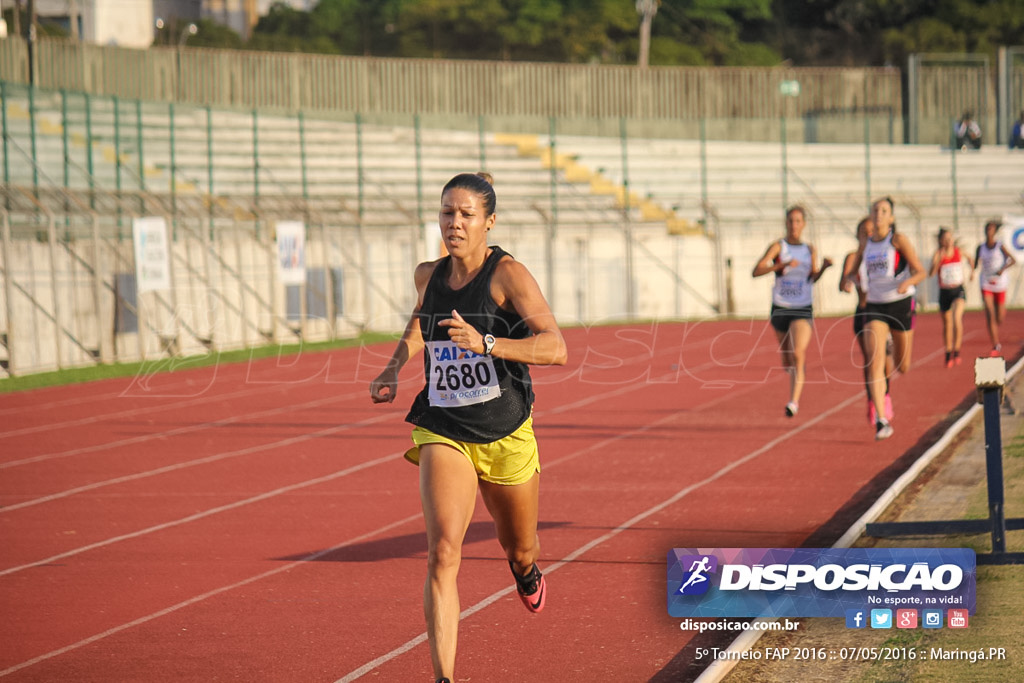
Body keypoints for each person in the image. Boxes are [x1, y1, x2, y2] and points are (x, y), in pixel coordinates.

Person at [369, 172, 567, 683]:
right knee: (442, 553)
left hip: (505, 430)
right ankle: (444, 679)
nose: (453, 224)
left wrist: (488, 344)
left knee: (520, 547)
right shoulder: (427, 275)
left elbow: (555, 347)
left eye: (465, 215)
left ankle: (525, 573)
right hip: (445, 425)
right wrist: (394, 365)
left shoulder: (509, 276)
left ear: (489, 222)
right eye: (446, 213)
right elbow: (421, 320)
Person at [847, 197, 926, 440]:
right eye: (875, 210)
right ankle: (882, 420)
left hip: (900, 304)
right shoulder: (865, 244)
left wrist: (907, 283)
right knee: (874, 362)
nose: (878, 214)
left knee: (903, 365)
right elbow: (853, 271)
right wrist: (850, 281)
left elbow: (920, 271)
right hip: (875, 306)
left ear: (891, 218)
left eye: (884, 211)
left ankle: (893, 350)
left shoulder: (897, 240)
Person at [752, 205, 832, 417]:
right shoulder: (779, 247)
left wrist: (823, 267)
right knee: (788, 357)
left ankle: (793, 401)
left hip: (802, 307)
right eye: (790, 221)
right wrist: (778, 266)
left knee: (798, 353)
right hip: (780, 307)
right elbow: (756, 270)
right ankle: (787, 361)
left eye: (798, 221)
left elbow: (811, 278)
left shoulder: (809, 249)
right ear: (786, 224)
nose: (794, 225)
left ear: (803, 224)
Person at [840, 217, 894, 425]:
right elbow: (843, 282)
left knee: (887, 359)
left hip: (884, 310)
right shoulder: (853, 257)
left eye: (871, 231)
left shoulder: (882, 252)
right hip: (864, 313)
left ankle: (886, 392)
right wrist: (848, 283)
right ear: (858, 235)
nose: (868, 235)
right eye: (864, 232)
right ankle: (874, 400)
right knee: (872, 360)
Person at [929, 227, 973, 367]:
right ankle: (948, 354)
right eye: (946, 239)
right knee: (947, 324)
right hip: (945, 292)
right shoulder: (938, 254)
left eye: (950, 238)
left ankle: (957, 351)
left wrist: (972, 271)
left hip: (958, 290)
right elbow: (931, 273)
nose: (948, 241)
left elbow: (971, 259)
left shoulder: (958, 251)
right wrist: (938, 261)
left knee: (956, 318)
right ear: (941, 241)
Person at [974, 219, 1016, 356]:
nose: (988, 232)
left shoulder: (1000, 246)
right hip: (986, 283)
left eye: (991, 229)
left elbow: (1012, 260)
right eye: (987, 229)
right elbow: (975, 265)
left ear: (995, 232)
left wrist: (1002, 269)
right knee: (990, 313)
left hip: (1000, 284)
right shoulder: (980, 248)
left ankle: (996, 326)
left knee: (999, 317)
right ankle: (996, 344)